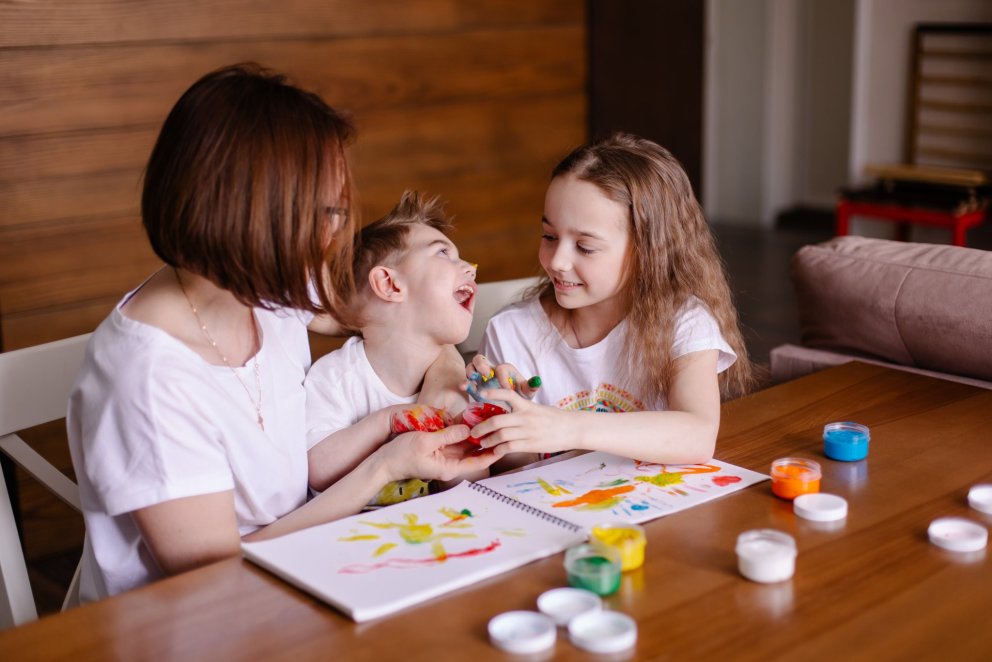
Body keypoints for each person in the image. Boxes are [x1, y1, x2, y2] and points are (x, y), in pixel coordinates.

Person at [66, 63, 494, 602]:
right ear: (254, 218)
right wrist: (387, 462)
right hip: (202, 617)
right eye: (327, 212)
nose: (337, 233)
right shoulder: (148, 379)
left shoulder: (266, 288)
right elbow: (215, 579)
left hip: (312, 569)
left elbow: (410, 319)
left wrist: (445, 376)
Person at [465, 133, 753, 467]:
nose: (557, 261)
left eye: (585, 246)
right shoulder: (511, 331)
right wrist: (509, 420)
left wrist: (567, 427)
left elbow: (698, 436)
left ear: (649, 251)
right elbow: (513, 471)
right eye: (549, 236)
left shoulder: (684, 322)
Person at [305, 190, 482, 507]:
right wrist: (387, 422)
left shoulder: (461, 384)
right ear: (389, 284)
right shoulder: (335, 377)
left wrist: (473, 438)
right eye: (443, 253)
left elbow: (473, 488)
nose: (470, 267)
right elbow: (315, 468)